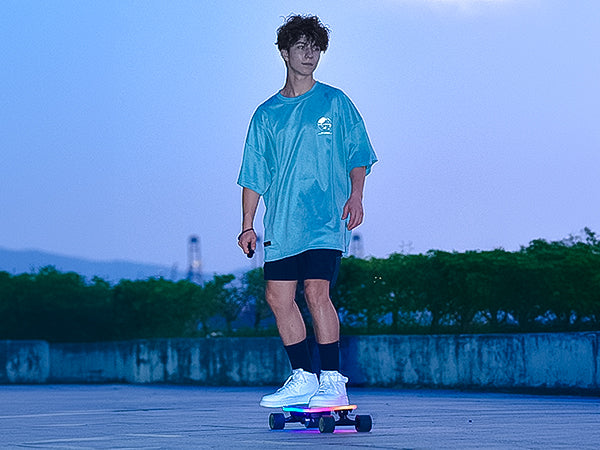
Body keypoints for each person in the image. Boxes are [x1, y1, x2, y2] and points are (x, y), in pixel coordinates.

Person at [237, 14, 377, 408]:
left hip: (325, 218)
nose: (309, 54)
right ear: (284, 53)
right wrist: (247, 224)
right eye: (301, 47)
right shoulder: (266, 114)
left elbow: (358, 154)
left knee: (317, 291)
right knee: (277, 298)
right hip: (283, 223)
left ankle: (332, 381)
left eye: (315, 48)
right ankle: (303, 377)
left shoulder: (335, 102)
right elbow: (254, 174)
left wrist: (356, 195)